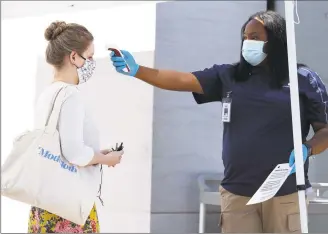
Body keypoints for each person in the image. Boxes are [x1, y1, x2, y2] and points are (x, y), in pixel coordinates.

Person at [109, 11, 328, 233]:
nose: (247, 42)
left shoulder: (303, 78)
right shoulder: (230, 76)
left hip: (286, 193)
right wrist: (137, 70)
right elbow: (182, 80)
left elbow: (325, 131)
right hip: (237, 194)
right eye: (245, 37)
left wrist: (307, 149)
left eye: (255, 37)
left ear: (276, 40)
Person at [28, 21, 124, 233]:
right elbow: (74, 154)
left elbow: (59, 148)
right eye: (89, 57)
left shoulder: (48, 93)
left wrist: (97, 154)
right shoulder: (70, 95)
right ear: (73, 57)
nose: (91, 63)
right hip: (68, 204)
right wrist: (106, 159)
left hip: (46, 200)